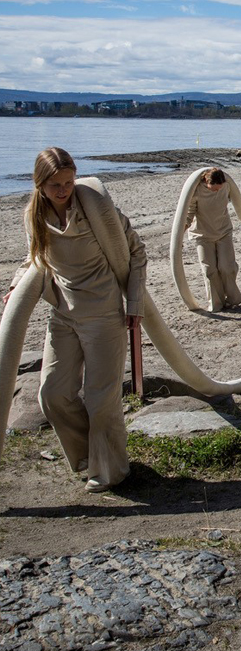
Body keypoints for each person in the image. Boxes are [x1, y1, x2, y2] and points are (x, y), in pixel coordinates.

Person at [3, 147, 147, 492]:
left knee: (102, 399)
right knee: (52, 394)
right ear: (40, 184)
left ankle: (111, 470)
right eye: (55, 185)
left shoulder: (97, 208)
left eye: (68, 182)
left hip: (103, 315)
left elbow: (137, 252)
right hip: (62, 314)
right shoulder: (33, 216)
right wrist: (14, 287)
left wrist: (135, 305)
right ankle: (87, 457)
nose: (64, 190)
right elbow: (34, 258)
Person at [185, 167, 241, 312]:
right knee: (209, 270)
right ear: (207, 182)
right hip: (203, 235)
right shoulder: (196, 191)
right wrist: (182, 229)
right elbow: (189, 213)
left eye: (219, 188)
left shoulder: (226, 186)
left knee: (227, 267)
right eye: (214, 189)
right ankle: (216, 303)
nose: (217, 191)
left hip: (223, 231)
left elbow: (234, 196)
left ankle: (232, 299)